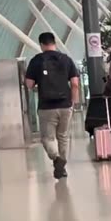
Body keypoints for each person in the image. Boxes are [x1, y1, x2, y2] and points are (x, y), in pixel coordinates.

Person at [24, 31, 81, 180]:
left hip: (46, 107)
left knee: (47, 139)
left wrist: (37, 83)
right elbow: (75, 84)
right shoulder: (66, 59)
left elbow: (29, 84)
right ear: (54, 42)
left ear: (41, 44)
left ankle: (57, 159)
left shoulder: (36, 61)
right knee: (62, 137)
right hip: (65, 105)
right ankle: (62, 169)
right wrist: (73, 103)